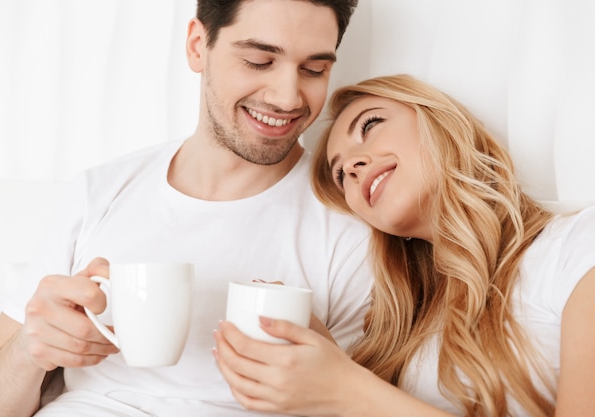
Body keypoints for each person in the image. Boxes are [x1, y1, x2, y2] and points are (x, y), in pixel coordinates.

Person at [0, 1, 374, 416]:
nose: (288, 98)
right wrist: (26, 354)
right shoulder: (99, 192)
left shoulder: (351, 226)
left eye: (314, 70)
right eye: (258, 61)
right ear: (198, 46)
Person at [213, 74, 595, 416]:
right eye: (341, 173)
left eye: (370, 125)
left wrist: (345, 390)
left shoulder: (577, 247)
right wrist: (323, 369)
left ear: (440, 122)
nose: (354, 167)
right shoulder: (400, 333)